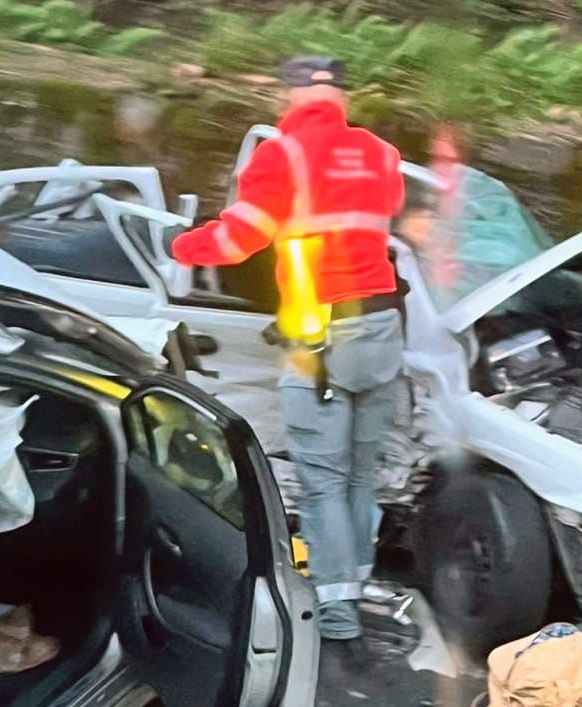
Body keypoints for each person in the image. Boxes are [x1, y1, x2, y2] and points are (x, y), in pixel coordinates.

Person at [170, 55, 406, 656]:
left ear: (292, 95)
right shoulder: (380, 152)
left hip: (321, 336)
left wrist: (178, 242)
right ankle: (356, 576)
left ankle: (337, 613)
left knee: (323, 480)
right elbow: (380, 218)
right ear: (345, 97)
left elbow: (236, 238)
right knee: (360, 472)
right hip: (381, 325)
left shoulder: (281, 154)